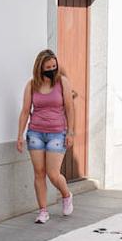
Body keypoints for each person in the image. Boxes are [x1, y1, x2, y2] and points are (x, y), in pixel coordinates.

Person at [16, 49, 75, 225]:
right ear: (40, 67)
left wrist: (70, 132)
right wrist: (20, 135)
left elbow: (70, 108)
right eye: (48, 67)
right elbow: (26, 111)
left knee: (53, 173)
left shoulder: (62, 82)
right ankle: (43, 211)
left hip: (57, 132)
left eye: (54, 66)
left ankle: (66, 195)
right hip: (35, 132)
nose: (52, 69)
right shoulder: (31, 85)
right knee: (39, 173)